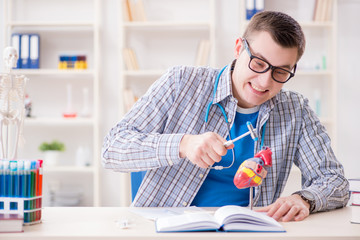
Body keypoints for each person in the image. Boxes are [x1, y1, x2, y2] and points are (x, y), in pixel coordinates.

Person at [102, 11, 349, 222]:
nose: (264, 82)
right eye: (259, 63)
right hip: (167, 228)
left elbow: (334, 180)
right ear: (239, 48)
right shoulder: (181, 83)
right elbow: (112, 148)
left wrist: (304, 199)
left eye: (281, 72)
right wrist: (183, 144)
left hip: (246, 229)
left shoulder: (296, 110)